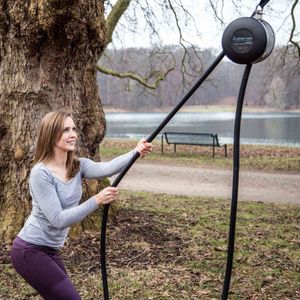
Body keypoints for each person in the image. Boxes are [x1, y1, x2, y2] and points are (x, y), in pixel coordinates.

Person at [10, 111, 153, 299]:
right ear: (51, 135)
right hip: (29, 250)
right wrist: (96, 200)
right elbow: (58, 220)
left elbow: (108, 168)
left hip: (50, 250)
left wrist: (135, 151)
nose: (73, 134)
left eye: (73, 129)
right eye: (66, 130)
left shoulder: (77, 166)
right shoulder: (41, 173)